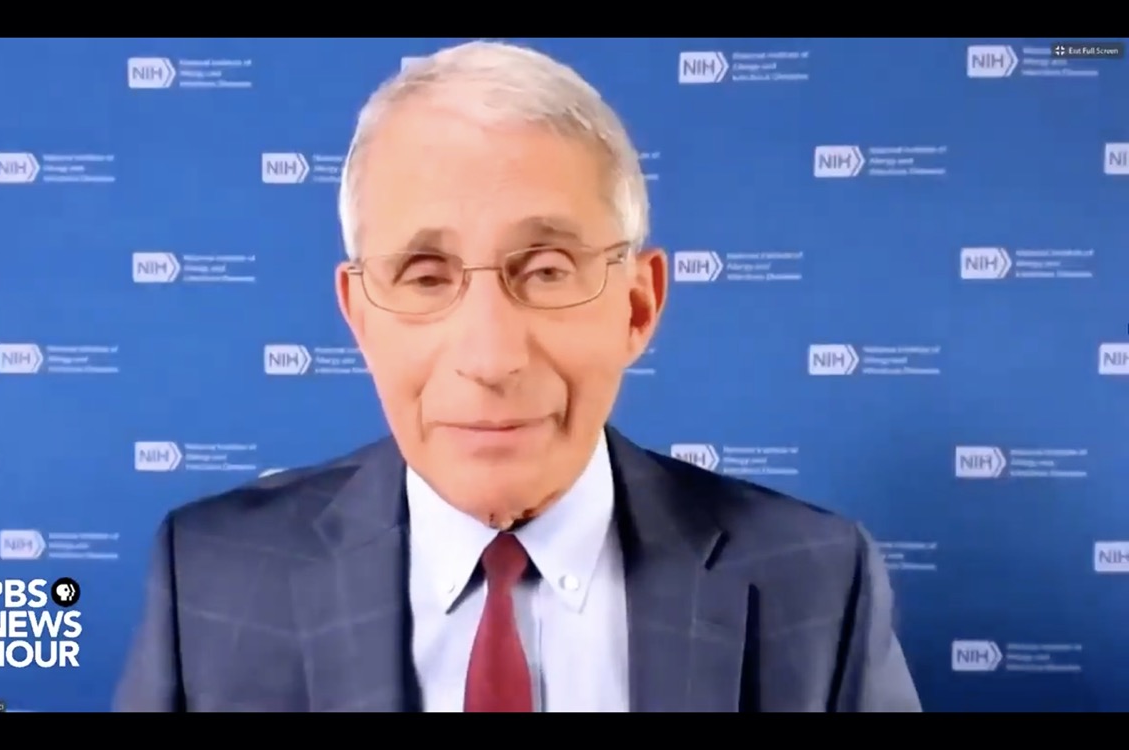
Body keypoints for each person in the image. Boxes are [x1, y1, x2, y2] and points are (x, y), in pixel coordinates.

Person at [114, 40, 921, 713]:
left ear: (638, 306)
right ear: (359, 317)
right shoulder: (211, 580)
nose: (491, 357)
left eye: (546, 270)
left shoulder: (818, 585)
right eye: (426, 276)